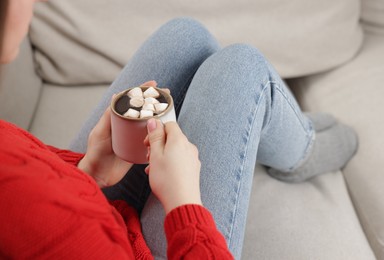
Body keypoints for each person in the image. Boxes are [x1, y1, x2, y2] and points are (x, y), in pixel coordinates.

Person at [0, 0, 358, 259]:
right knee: (239, 68)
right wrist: (184, 203)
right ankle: (303, 152)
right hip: (142, 245)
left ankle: (294, 134)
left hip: (90, 205)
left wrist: (88, 171)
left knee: (185, 37)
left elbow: (30, 196)